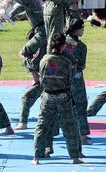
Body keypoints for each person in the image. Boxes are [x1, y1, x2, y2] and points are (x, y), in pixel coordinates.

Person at [31, 33, 83, 165]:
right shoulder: (66, 62)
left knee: (42, 126)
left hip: (48, 96)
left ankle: (36, 157)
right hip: (63, 96)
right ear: (62, 46)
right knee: (69, 127)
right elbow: (70, 79)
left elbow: (41, 79)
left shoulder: (44, 60)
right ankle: (75, 156)